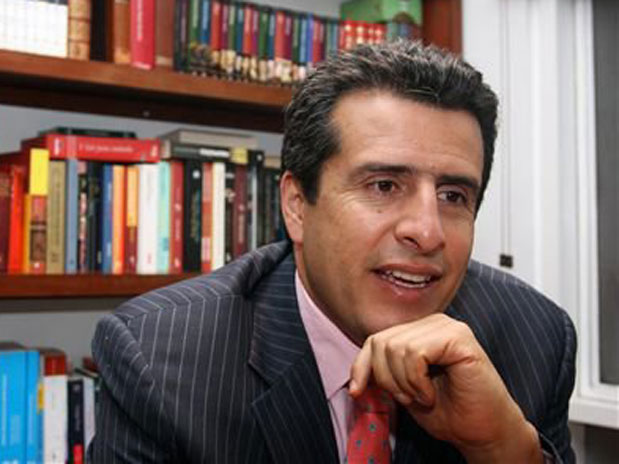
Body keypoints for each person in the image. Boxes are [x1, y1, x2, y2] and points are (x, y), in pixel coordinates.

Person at [89, 40, 576, 463]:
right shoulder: (161, 357)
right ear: (297, 206)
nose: (428, 233)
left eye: (453, 196)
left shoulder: (535, 341)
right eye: (384, 185)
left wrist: (502, 449)